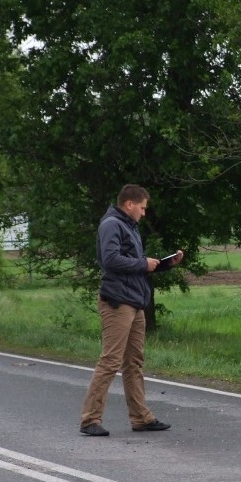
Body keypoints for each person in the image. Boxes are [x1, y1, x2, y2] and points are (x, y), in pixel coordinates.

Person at [79, 184, 184, 436]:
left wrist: (164, 264)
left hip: (135, 301)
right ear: (129, 204)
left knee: (134, 362)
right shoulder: (111, 225)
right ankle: (89, 419)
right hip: (117, 302)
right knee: (110, 360)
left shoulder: (128, 227)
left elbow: (136, 266)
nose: (144, 213)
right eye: (142, 208)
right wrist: (142, 262)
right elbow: (110, 260)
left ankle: (141, 418)